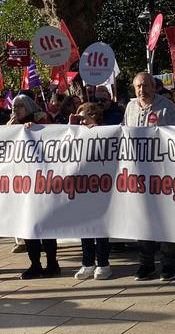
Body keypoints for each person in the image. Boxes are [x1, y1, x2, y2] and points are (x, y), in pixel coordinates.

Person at [123, 72, 175, 281]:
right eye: (138, 86)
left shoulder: (166, 106)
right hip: (139, 175)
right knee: (143, 220)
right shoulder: (130, 107)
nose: (142, 90)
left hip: (163, 173)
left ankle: (168, 265)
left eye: (145, 86)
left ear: (153, 86)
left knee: (165, 220)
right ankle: (146, 264)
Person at [9, 95, 57, 278]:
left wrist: (36, 129)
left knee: (46, 225)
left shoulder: (42, 119)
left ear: (29, 106)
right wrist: (10, 128)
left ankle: (52, 263)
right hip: (21, 184)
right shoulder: (12, 125)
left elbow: (53, 138)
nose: (17, 109)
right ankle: (35, 264)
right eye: (14, 106)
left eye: (20, 106)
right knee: (27, 225)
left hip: (42, 182)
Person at [71, 103, 113, 280]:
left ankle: (103, 263)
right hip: (82, 186)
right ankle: (87, 262)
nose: (81, 123)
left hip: (101, 186)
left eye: (84, 119)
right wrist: (71, 125)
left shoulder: (105, 132)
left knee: (100, 227)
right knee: (84, 225)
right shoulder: (76, 133)